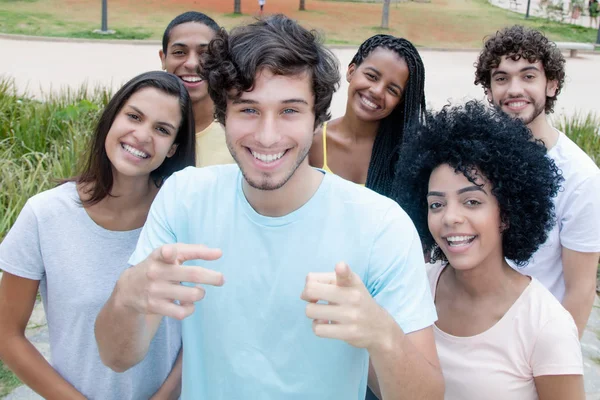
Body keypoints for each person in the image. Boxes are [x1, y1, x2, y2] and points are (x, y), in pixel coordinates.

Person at [95, 15, 443, 400]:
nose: (267, 135)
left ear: (317, 118)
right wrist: (126, 296)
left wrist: (383, 335)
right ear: (222, 114)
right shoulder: (185, 197)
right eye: (248, 109)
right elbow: (116, 357)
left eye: (290, 110)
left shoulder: (381, 225)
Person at [0, 71, 195, 399]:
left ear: (173, 148)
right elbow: (7, 334)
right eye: (134, 116)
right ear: (111, 118)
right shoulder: (44, 215)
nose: (142, 135)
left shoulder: (184, 219)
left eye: (162, 129)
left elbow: (201, 332)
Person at [396, 101, 585, 400]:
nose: (450, 217)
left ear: (507, 213)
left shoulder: (547, 326)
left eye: (472, 201)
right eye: (436, 204)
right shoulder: (414, 286)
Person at [474, 25, 600, 338]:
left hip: (531, 340)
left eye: (528, 76)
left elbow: (581, 292)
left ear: (552, 85)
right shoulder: (473, 156)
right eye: (501, 78)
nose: (514, 89)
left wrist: (556, 367)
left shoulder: (581, 178)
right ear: (489, 90)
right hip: (468, 328)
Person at [309, 34, 425, 197]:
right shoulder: (312, 141)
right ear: (351, 71)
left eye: (392, 90)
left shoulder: (405, 156)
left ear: (400, 102)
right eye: (371, 76)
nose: (377, 91)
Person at [160, 11, 233, 167]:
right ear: (163, 58)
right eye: (179, 52)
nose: (192, 64)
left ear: (221, 59)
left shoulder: (237, 136)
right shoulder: (145, 129)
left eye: (205, 53)